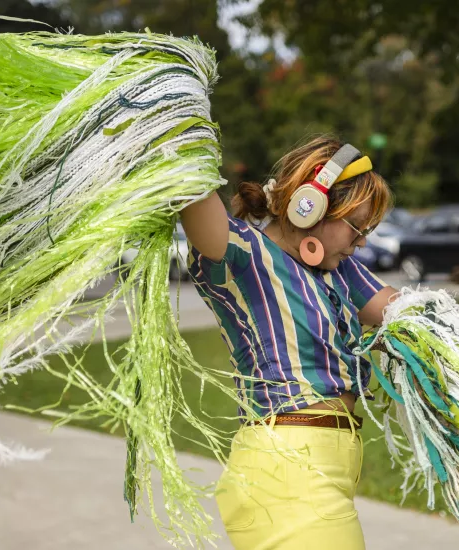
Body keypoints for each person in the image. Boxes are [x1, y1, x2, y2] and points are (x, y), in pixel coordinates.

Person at [180, 135, 397, 550]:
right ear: (308, 207)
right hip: (286, 471)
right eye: (357, 227)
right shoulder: (243, 252)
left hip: (324, 470)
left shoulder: (338, 271)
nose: (363, 241)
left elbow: (404, 314)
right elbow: (189, 183)